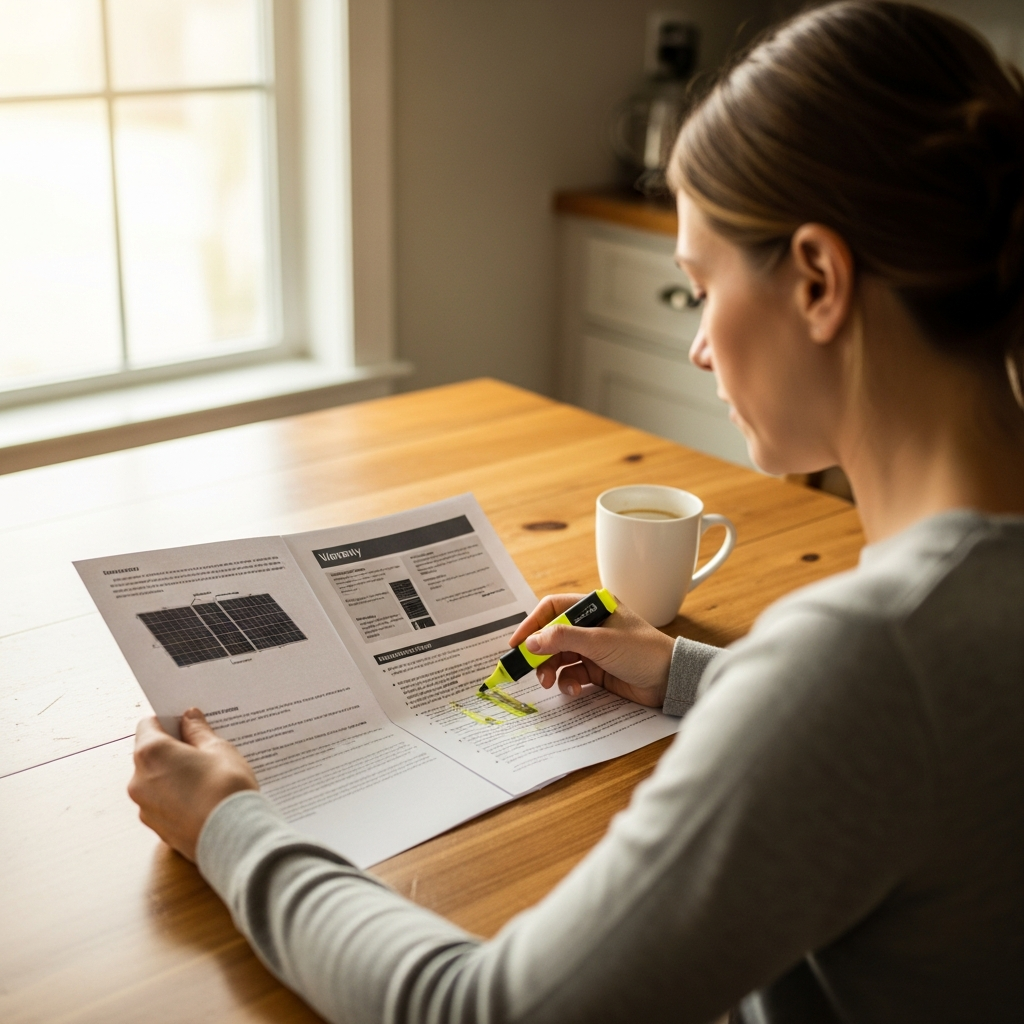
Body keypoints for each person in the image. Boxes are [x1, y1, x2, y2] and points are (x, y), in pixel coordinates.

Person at [127, 2, 1024, 1020]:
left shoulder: (869, 656)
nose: (696, 347)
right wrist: (689, 673)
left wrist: (232, 826)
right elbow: (942, 725)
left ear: (818, 278)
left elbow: (487, 1008)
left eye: (697, 291)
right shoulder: (932, 640)